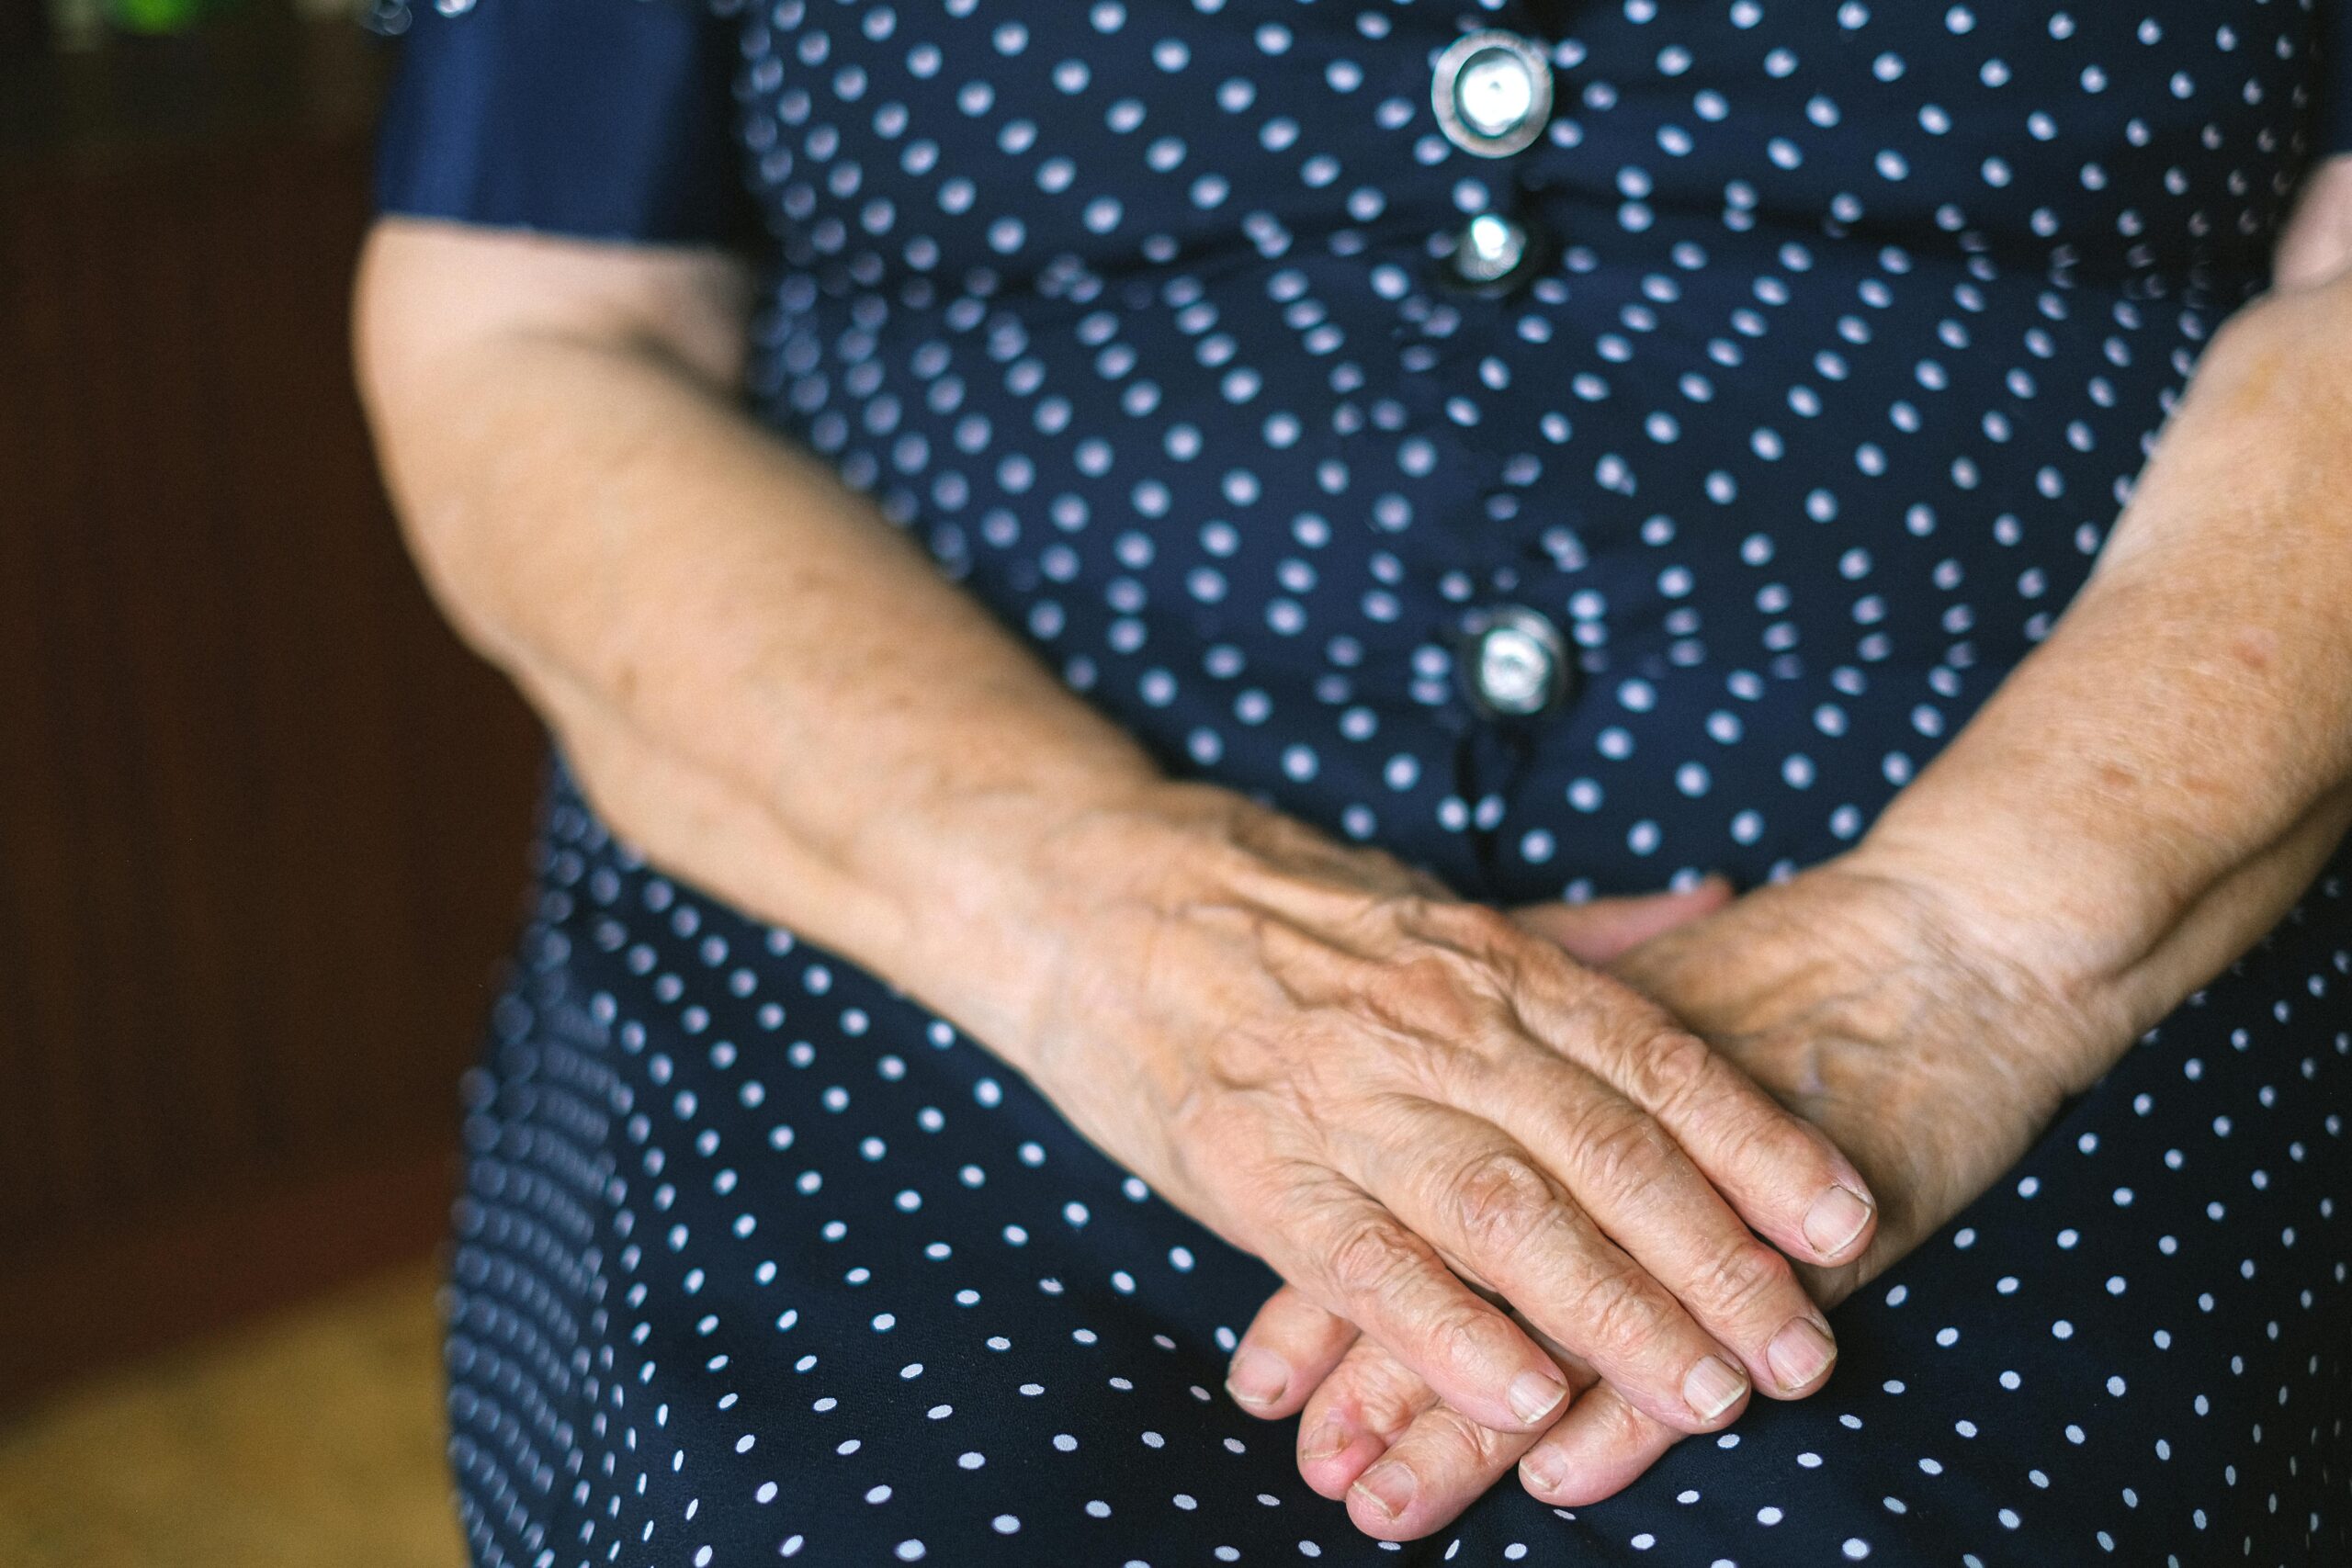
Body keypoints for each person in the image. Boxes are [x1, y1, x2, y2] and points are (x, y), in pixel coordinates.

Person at [357, 2, 2352, 1562]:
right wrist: (1098, 912)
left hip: (2083, 859)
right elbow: (531, 331)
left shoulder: (2016, 938)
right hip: (919, 867)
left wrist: (1972, 949)